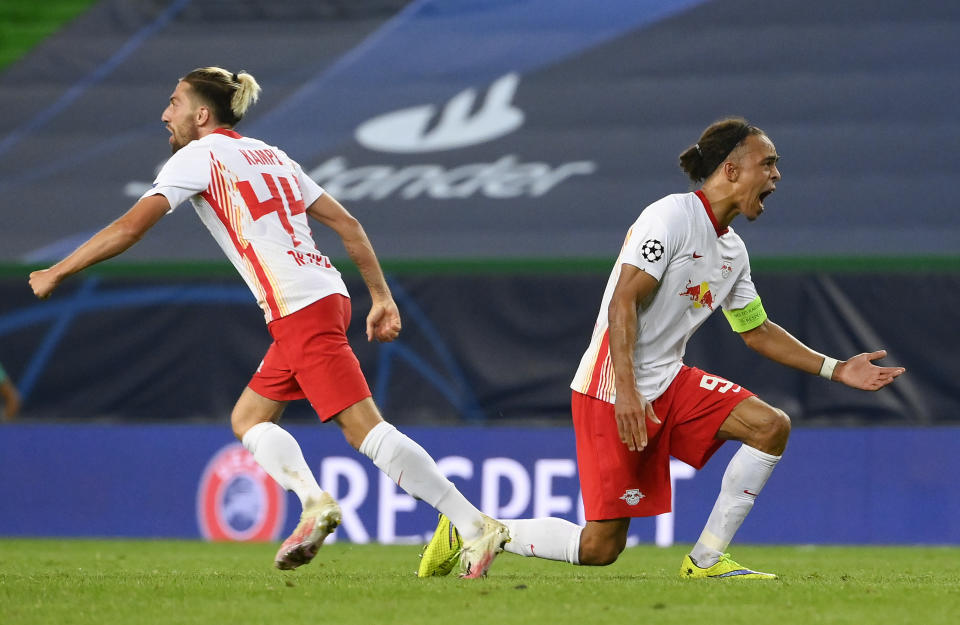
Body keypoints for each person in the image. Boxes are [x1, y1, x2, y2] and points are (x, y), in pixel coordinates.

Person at [28, 66, 509, 577]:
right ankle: (313, 502)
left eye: (173, 102)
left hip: (299, 306)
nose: (164, 114)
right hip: (324, 295)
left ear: (202, 113)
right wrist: (380, 297)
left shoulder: (198, 156)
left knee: (364, 431)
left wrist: (57, 271)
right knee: (249, 419)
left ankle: (473, 524)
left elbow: (130, 229)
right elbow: (348, 224)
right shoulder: (273, 155)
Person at [418, 117, 905, 580]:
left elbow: (755, 330)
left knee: (770, 426)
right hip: (611, 388)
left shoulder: (733, 251)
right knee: (601, 548)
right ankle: (481, 531)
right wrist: (628, 392)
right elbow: (623, 302)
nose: (777, 175)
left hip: (669, 381)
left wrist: (836, 369)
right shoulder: (670, 216)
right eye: (769, 164)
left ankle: (707, 560)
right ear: (731, 171)